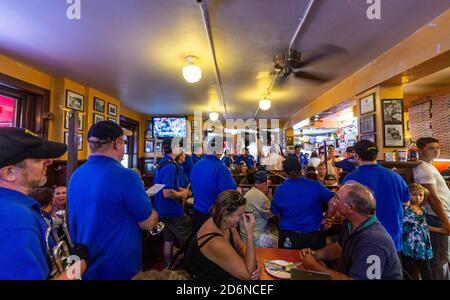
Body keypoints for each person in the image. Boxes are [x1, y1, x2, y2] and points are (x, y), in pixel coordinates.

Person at [68, 121, 159, 280]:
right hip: (117, 266)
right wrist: (155, 212)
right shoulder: (126, 176)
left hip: (84, 266)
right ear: (117, 143)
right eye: (124, 142)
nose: (124, 146)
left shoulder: (76, 174)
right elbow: (148, 223)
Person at [0, 127, 87, 279]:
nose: (49, 162)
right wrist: (79, 265)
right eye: (38, 159)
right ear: (9, 173)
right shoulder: (18, 220)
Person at [299, 182, 403, 280]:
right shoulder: (350, 224)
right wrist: (316, 254)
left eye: (337, 199)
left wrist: (314, 266)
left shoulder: (372, 242)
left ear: (350, 208)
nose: (331, 202)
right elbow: (339, 248)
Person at [342, 140, 410, 252]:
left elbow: (344, 208)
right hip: (392, 237)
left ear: (357, 156)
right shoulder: (395, 176)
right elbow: (405, 203)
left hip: (363, 238)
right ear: (376, 155)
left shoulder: (351, 179)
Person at [183, 190, 259, 280]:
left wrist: (255, 263)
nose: (243, 218)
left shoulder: (225, 223)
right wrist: (249, 234)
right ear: (225, 213)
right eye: (239, 215)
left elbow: (241, 248)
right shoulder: (215, 242)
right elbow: (249, 276)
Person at [270, 157, 334, 250]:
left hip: (289, 238)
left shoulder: (280, 189)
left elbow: (275, 212)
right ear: (301, 170)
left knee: (288, 264)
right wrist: (328, 217)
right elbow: (334, 200)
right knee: (315, 264)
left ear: (285, 172)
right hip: (313, 237)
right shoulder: (315, 185)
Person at [413, 137, 450, 280]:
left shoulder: (429, 166)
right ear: (421, 151)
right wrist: (445, 222)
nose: (436, 151)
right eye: (431, 148)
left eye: (437, 147)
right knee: (440, 259)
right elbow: (433, 198)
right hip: (437, 217)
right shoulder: (423, 169)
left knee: (443, 258)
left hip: (441, 216)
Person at [154, 138, 192, 266]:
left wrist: (180, 189)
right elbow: (167, 193)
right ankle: (188, 269)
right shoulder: (171, 166)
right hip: (172, 211)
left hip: (162, 210)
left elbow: (163, 186)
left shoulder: (162, 163)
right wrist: (183, 193)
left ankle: (168, 267)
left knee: (168, 241)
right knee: (189, 241)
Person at [190, 141, 237, 234]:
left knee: (199, 244)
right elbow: (231, 194)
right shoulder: (221, 168)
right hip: (213, 216)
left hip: (197, 213)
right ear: (220, 150)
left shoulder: (196, 165)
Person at [401, 184, 436, 280]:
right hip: (409, 244)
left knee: (426, 270)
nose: (418, 198)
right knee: (410, 270)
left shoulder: (422, 210)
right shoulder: (404, 209)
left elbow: (423, 226)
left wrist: (441, 230)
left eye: (421, 195)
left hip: (422, 245)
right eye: (414, 195)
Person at [239, 171, 278, 248]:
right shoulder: (261, 197)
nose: (269, 182)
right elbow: (272, 215)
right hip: (253, 237)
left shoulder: (252, 191)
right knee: (278, 240)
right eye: (268, 180)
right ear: (265, 183)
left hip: (246, 234)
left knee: (274, 231)